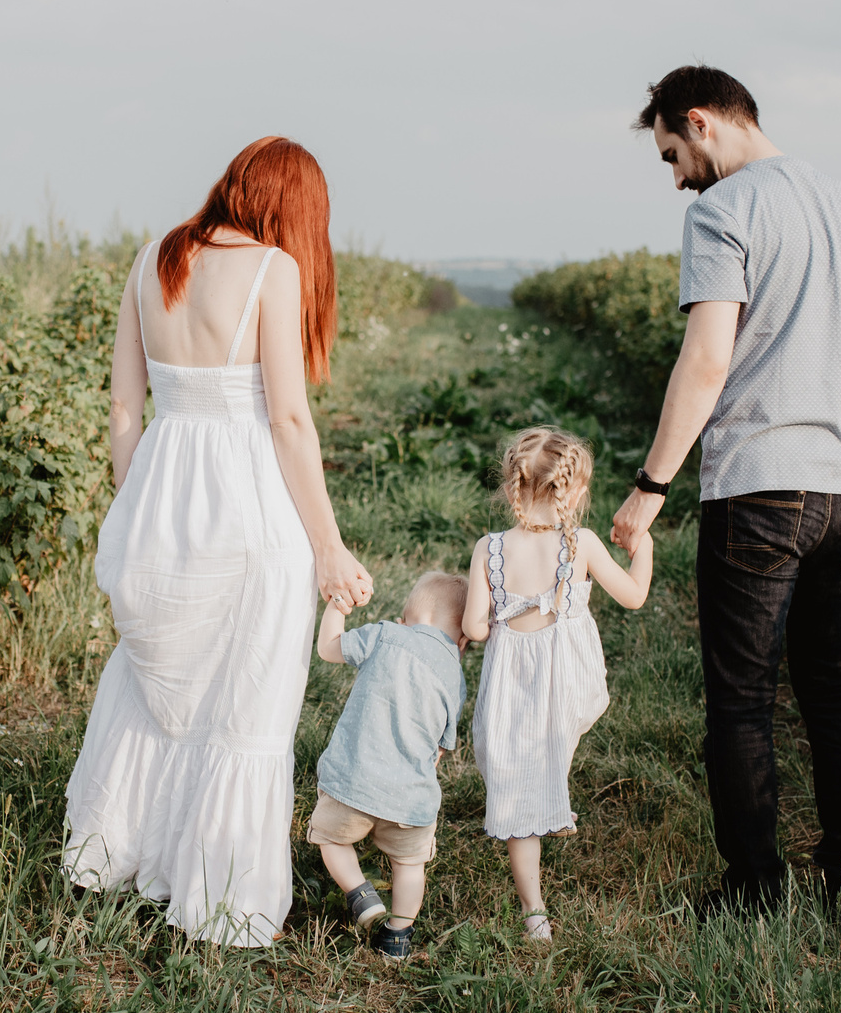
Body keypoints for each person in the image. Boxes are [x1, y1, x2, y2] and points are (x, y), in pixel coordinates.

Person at [606, 66, 841, 929]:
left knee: (742, 696)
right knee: (832, 684)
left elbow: (708, 358)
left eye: (672, 155)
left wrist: (650, 487)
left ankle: (753, 893)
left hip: (758, 488)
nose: (677, 179)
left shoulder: (724, 210)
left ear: (700, 122)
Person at [62, 137, 377, 947]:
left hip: (160, 493)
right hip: (248, 506)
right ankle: (222, 891)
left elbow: (124, 411)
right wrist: (330, 546)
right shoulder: (274, 269)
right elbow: (289, 420)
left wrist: (136, 504)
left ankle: (112, 852)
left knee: (155, 682)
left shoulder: (152, 260)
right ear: (290, 207)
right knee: (246, 699)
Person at [463, 427, 655, 944]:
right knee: (552, 743)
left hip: (512, 683)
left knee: (518, 789)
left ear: (512, 486)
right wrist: (645, 545)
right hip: (568, 679)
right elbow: (634, 595)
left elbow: (476, 628)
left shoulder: (489, 548)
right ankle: (550, 788)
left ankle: (534, 913)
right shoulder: (581, 543)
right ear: (573, 492)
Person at [307, 572, 472, 963]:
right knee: (410, 865)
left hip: (353, 782)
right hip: (411, 800)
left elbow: (328, 648)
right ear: (462, 642)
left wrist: (337, 605)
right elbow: (440, 749)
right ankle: (397, 937)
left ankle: (360, 894)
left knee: (331, 838)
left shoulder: (384, 635)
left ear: (405, 619)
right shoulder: (455, 675)